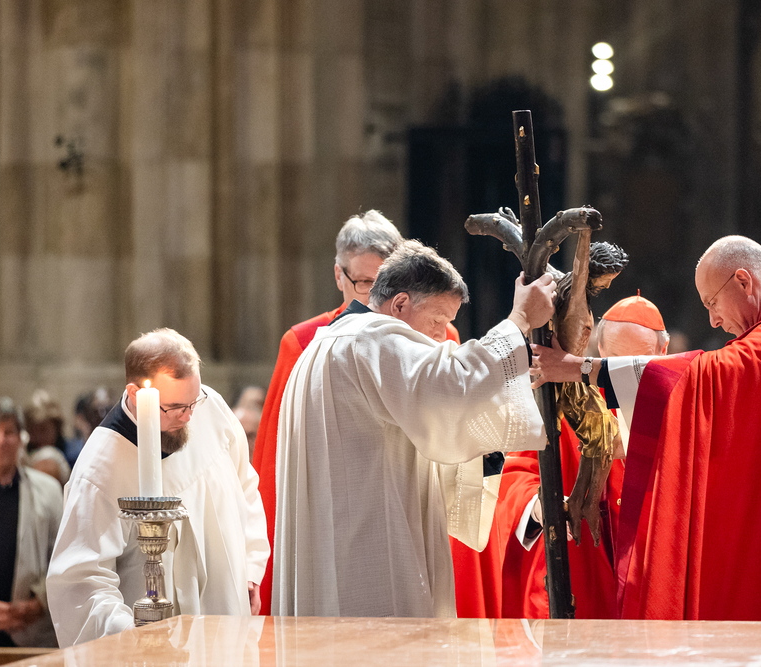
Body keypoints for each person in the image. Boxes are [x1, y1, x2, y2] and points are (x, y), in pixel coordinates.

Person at [532, 235, 761, 620]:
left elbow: (692, 377)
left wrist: (576, 368)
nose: (713, 320)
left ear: (743, 281)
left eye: (712, 303)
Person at [273, 240, 555, 618]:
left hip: (333, 539)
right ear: (400, 304)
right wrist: (519, 321)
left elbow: (424, 419)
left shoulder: (325, 344)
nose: (441, 336)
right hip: (366, 548)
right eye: (438, 321)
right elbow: (454, 385)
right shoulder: (372, 339)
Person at [252, 210, 462, 614]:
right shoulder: (305, 340)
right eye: (365, 282)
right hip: (337, 511)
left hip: (408, 502)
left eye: (383, 281)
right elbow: (277, 455)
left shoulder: (436, 332)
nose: (372, 296)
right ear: (339, 276)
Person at [46, 329, 269, 646]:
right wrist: (133, 636)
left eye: (193, 401)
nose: (188, 417)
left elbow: (245, 485)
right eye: (175, 407)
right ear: (136, 394)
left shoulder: (211, 409)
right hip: (161, 647)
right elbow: (81, 583)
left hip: (230, 628)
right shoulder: (100, 469)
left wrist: (250, 570)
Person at [500, 293, 669, 619]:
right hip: (587, 575)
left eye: (638, 361)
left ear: (664, 352)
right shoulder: (572, 404)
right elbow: (518, 473)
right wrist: (543, 505)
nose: (623, 371)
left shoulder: (682, 404)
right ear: (600, 350)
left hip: (654, 574)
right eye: (615, 360)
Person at [0, 398, 61, 648]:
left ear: (21, 438)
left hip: (30, 629)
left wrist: (39, 603)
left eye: (9, 432)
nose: (1, 440)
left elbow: (62, 555)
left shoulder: (49, 490)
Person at [22, 391, 71, 486]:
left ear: (56, 428)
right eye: (32, 429)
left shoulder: (50, 456)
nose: (37, 436)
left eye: (43, 429)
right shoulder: (24, 451)